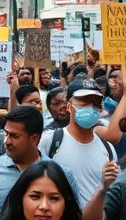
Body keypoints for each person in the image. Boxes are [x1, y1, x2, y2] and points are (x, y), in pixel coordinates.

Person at [39, 78, 120, 207]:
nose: (90, 107)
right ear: (69, 106)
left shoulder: (107, 149)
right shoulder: (50, 141)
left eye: (95, 102)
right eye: (83, 102)